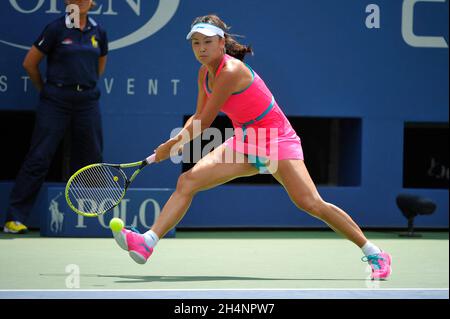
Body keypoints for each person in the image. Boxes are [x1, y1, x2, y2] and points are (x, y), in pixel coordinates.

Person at [111, 14, 392, 280]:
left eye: (208, 42)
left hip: (276, 140)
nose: (201, 48)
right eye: (196, 43)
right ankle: (148, 242)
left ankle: (375, 253)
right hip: (247, 140)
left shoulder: (231, 71)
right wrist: (173, 144)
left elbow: (206, 122)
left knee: (310, 203)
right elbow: (197, 116)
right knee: (188, 180)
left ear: (222, 43)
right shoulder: (203, 73)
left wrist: (172, 145)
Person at [3, 0, 108, 234]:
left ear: (91, 2)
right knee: (39, 156)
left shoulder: (98, 31)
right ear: (66, 3)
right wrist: (48, 91)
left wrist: (84, 85)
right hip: (55, 100)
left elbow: (100, 64)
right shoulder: (55, 29)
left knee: (92, 156)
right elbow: (30, 63)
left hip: (87, 101)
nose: (77, 2)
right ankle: (15, 218)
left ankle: (92, 219)